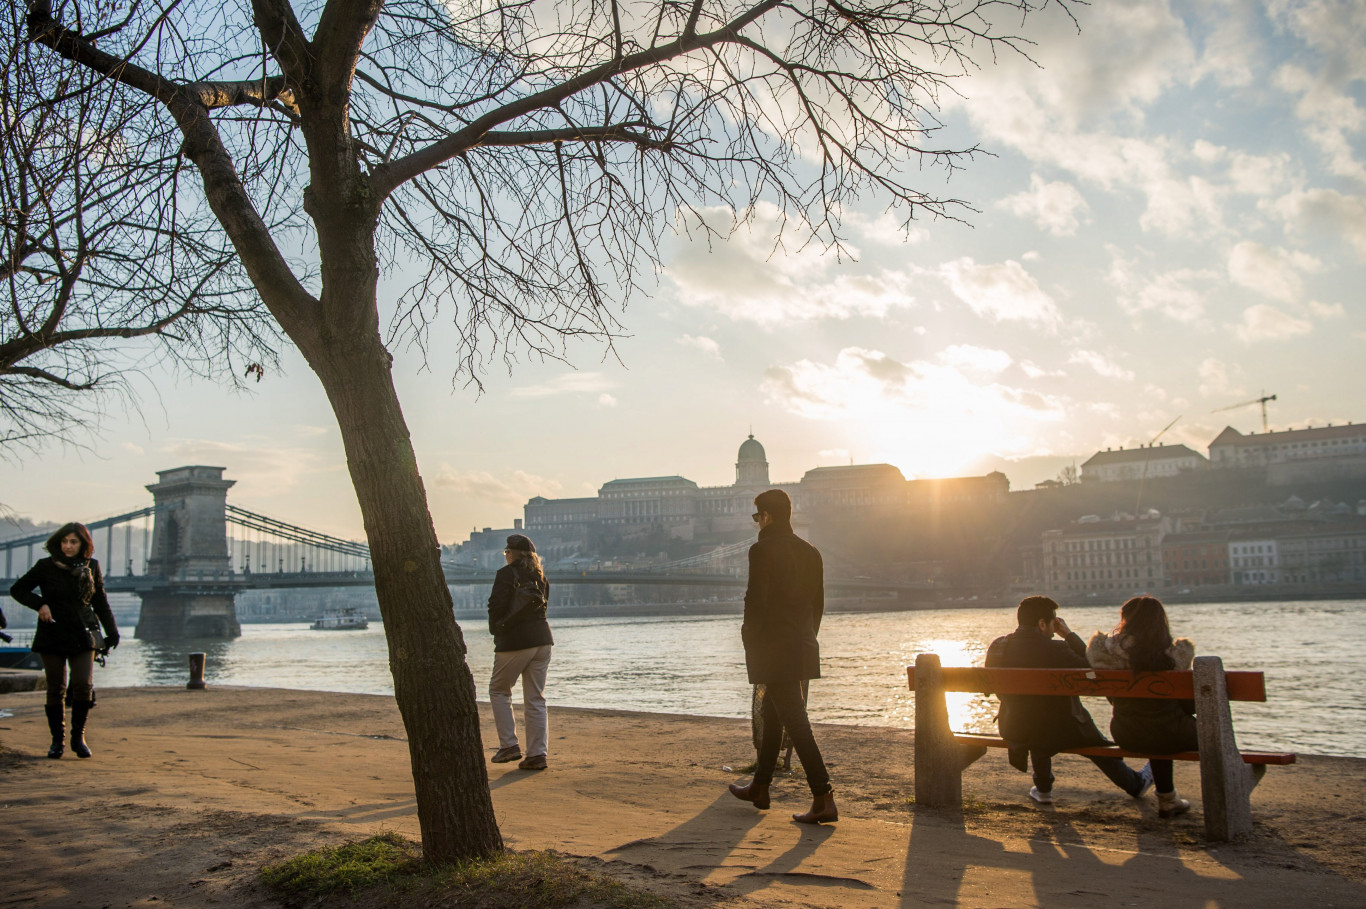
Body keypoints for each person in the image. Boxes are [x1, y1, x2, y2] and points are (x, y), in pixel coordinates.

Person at [728, 488, 836, 824]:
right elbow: (817, 605)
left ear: (767, 516)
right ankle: (760, 787)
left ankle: (823, 795)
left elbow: (754, 601)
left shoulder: (761, 550)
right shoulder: (811, 552)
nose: (757, 522)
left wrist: (749, 640)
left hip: (773, 647)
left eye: (757, 516)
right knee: (772, 714)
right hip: (801, 644)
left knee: (795, 720)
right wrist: (806, 638)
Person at [985, 595, 1152, 805]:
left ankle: (1043, 788)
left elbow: (987, 688)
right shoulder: (1057, 650)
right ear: (1042, 623)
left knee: (1032, 717)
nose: (1054, 630)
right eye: (1053, 623)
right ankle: (1135, 783)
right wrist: (1068, 635)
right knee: (1083, 734)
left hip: (1014, 727)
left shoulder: (999, 646)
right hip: (1062, 730)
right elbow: (1094, 668)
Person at [9, 522, 120, 759]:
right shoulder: (45, 566)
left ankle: (78, 737)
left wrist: (112, 632)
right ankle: (56, 741)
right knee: (56, 688)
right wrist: (40, 605)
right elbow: (17, 589)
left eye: (73, 542)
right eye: (64, 541)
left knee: (82, 685)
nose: (68, 546)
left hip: (83, 633)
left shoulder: (92, 566)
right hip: (52, 632)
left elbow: (100, 601)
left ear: (83, 544)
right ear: (58, 543)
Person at [1087, 594, 1196, 817]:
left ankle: (1168, 798)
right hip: (1170, 734)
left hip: (1126, 733)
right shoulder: (1175, 657)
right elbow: (1189, 706)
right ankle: (1168, 799)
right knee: (1165, 728)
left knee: (1153, 727)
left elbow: (1111, 697)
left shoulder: (1107, 656)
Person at [486, 533, 553, 771]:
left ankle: (509, 745)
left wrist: (496, 630)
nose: (506, 556)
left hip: (515, 642)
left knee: (499, 690)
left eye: (506, 553)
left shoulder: (506, 574)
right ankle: (537, 754)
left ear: (511, 554)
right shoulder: (541, 577)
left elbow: (496, 606)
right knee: (535, 698)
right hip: (543, 640)